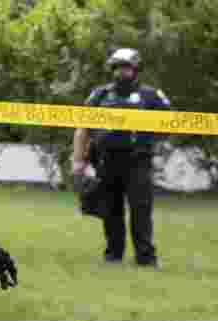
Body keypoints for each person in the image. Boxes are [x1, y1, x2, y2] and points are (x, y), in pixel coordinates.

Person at [72, 48, 170, 268]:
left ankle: (146, 258)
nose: (120, 72)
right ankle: (113, 255)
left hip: (138, 160)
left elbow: (171, 124)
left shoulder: (151, 96)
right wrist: (79, 160)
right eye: (116, 67)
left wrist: (150, 135)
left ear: (136, 69)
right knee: (111, 210)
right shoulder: (100, 95)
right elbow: (82, 128)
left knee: (140, 209)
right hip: (106, 160)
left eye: (125, 67)